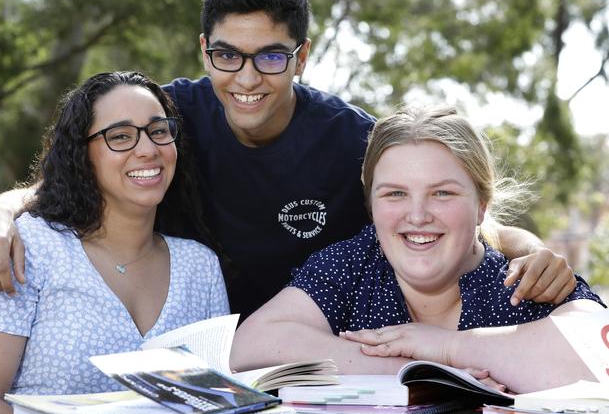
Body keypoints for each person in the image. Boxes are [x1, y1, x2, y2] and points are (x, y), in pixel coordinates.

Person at [0, 0, 575, 320]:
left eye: (270, 58)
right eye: (227, 55)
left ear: (302, 57)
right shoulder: (171, 117)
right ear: (204, 50)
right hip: (200, 348)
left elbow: (436, 207)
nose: (246, 79)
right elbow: (70, 172)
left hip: (316, 352)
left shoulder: (350, 138)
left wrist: (528, 246)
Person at [231, 105, 605, 394]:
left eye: (442, 193)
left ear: (481, 205)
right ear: (371, 206)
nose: (418, 215)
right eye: (395, 193)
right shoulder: (354, 265)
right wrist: (415, 370)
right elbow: (250, 345)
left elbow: (597, 353)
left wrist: (449, 348)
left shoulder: (523, 279)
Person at [0, 71, 229, 414]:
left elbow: (215, 406)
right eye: (120, 136)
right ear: (81, 155)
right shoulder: (27, 248)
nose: (147, 149)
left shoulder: (200, 266)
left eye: (159, 131)